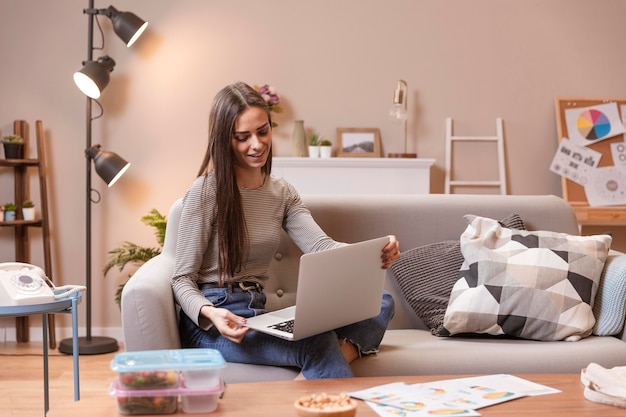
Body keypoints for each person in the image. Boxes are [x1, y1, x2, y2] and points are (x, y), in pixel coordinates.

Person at [171, 82, 401, 379]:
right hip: (215, 323)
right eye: (242, 137)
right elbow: (181, 279)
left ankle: (313, 377)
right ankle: (325, 372)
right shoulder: (205, 192)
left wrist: (375, 252)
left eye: (262, 132)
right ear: (224, 140)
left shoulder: (282, 192)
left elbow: (321, 246)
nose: (256, 144)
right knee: (316, 344)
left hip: (260, 314)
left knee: (381, 300)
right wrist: (211, 313)